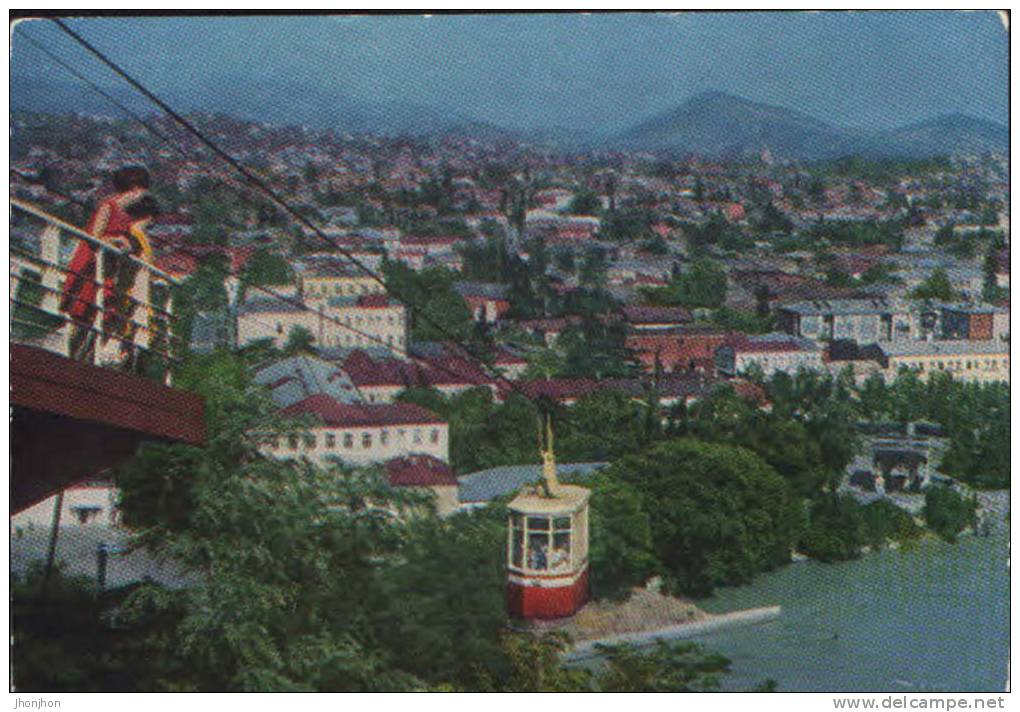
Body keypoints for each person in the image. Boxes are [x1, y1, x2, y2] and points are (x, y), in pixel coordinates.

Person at [60, 166, 151, 360]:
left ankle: (82, 358)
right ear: (135, 188)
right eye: (143, 190)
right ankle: (68, 356)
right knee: (80, 313)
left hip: (107, 269)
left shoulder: (126, 216)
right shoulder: (107, 206)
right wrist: (116, 241)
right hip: (91, 264)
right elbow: (94, 235)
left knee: (100, 314)